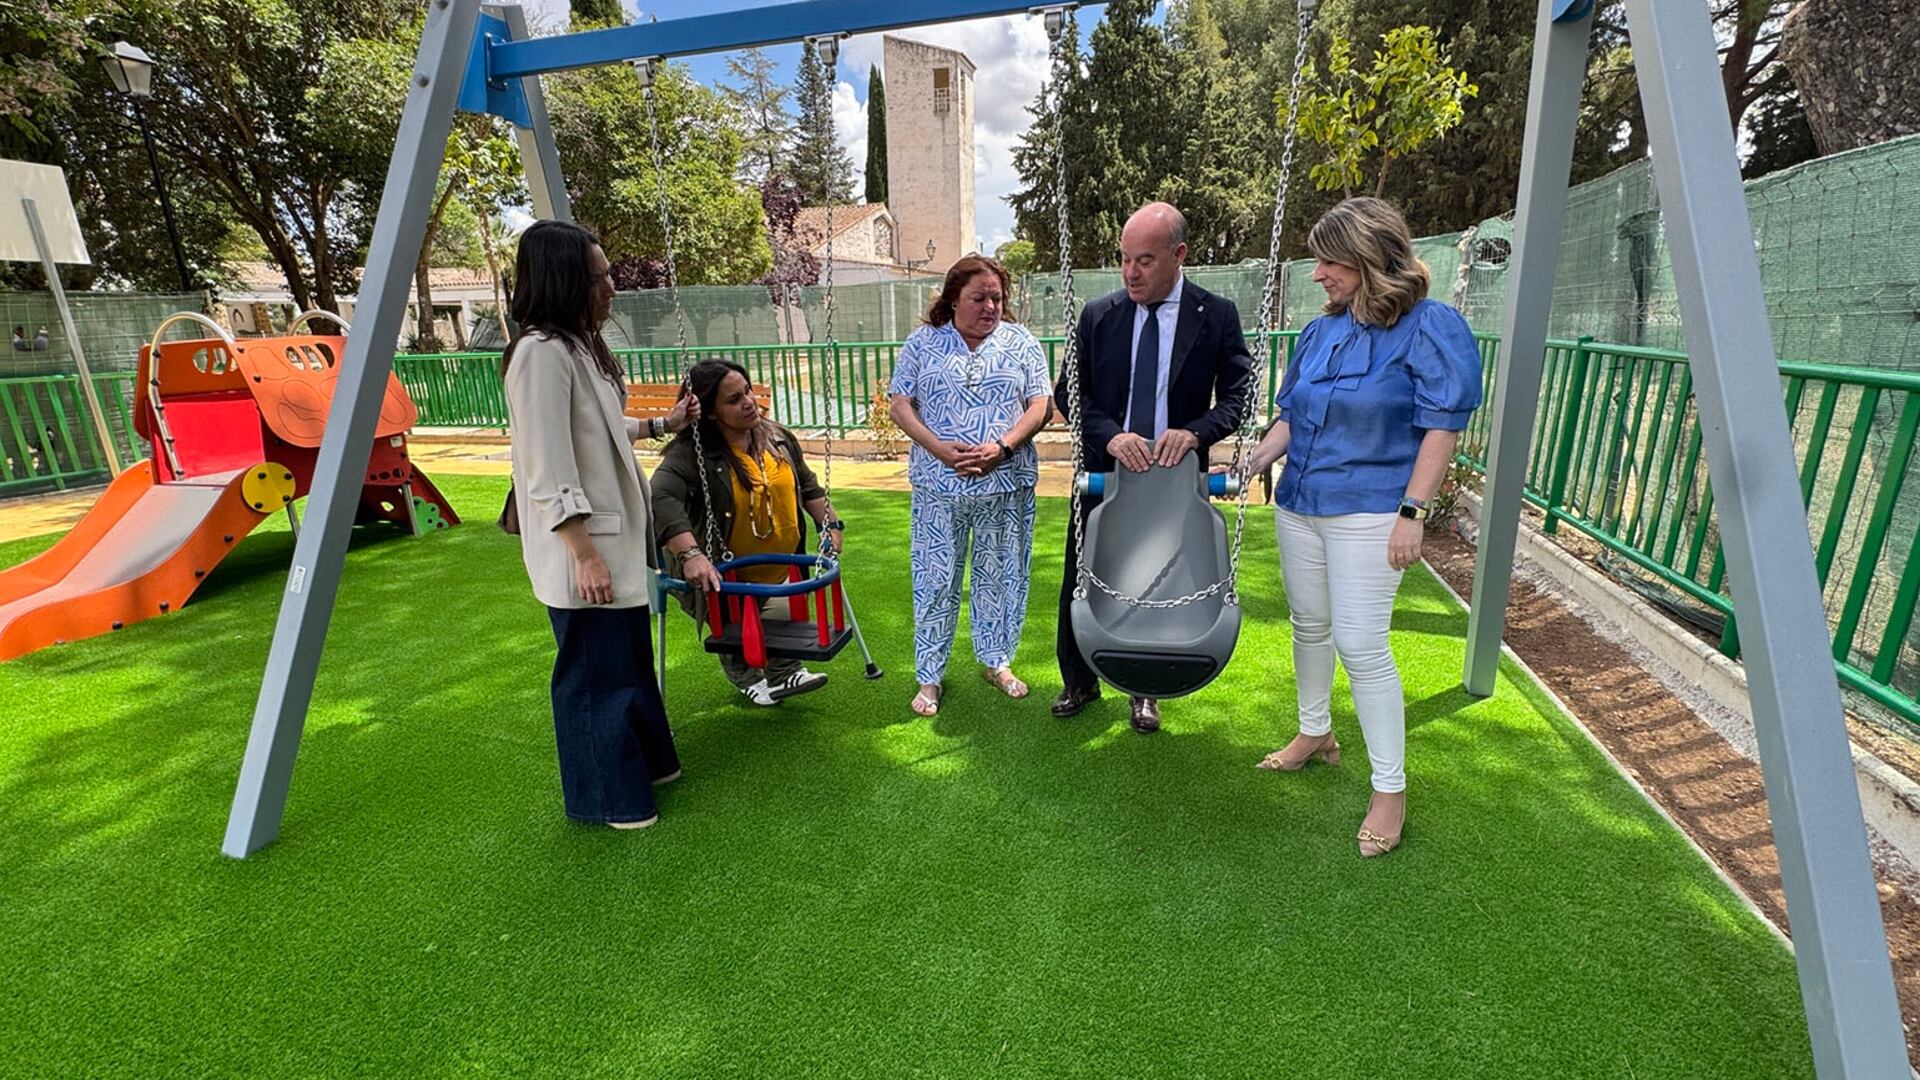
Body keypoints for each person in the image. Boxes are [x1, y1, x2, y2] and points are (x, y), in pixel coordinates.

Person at [1241, 196, 1484, 857]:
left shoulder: (1430, 326)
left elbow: (1442, 428)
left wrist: (1413, 513)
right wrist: (1256, 456)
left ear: (1370, 259)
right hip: (1301, 502)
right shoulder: (1322, 331)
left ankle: (1389, 790)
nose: (1318, 274)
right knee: (1309, 624)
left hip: (1372, 510)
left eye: (1330, 262)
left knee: (1361, 642)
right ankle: (1314, 731)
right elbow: (1293, 416)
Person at [502, 219, 693, 831]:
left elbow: (601, 429)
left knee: (628, 661)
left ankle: (650, 766)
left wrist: (662, 425)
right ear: (562, 281)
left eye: (608, 274)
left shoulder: (580, 347)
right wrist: (582, 552)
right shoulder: (540, 354)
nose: (611, 286)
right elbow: (546, 464)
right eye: (598, 277)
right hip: (584, 546)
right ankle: (610, 798)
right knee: (594, 676)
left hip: (614, 538)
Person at [1051, 202, 1253, 734]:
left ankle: (1146, 691)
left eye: (1144, 260)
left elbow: (1240, 397)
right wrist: (1111, 436)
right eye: (1124, 259)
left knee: (1158, 579)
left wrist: (1196, 433)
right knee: (1083, 574)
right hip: (1107, 470)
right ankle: (1078, 681)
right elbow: (1070, 395)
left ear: (1178, 255)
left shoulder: (1215, 315)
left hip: (1175, 478)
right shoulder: (1099, 315)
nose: (1130, 273)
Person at [888, 254, 1053, 717]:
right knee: (935, 579)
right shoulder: (923, 342)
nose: (990, 307)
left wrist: (1003, 446)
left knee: (1001, 576)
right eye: (979, 298)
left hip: (1006, 484)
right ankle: (930, 676)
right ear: (953, 299)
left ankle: (998, 662)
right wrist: (939, 449)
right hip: (938, 487)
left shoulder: (1021, 342)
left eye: (997, 297)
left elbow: (1040, 404)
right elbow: (900, 404)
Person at [653, 359, 844, 706]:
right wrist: (690, 554)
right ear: (710, 412)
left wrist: (829, 523)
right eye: (734, 399)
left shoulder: (776, 438)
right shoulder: (692, 453)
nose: (748, 402)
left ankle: (784, 673)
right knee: (736, 629)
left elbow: (808, 485)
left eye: (748, 391)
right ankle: (746, 676)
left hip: (778, 566)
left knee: (778, 623)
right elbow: (660, 496)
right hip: (723, 569)